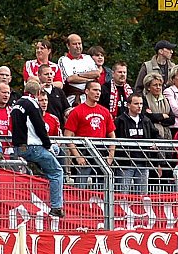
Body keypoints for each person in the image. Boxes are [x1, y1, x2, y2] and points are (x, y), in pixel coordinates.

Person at [12, 80, 65, 217]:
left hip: (19, 147)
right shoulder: (33, 104)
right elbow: (40, 127)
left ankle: (37, 167)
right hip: (33, 147)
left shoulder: (16, 105)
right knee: (57, 171)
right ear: (38, 92)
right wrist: (48, 145)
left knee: (55, 150)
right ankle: (56, 207)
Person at [63, 80, 116, 189]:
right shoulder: (77, 111)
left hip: (101, 152)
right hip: (83, 151)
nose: (98, 93)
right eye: (95, 90)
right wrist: (77, 156)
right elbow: (67, 135)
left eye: (99, 91)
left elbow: (112, 135)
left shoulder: (105, 111)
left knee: (103, 188)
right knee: (80, 189)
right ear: (86, 91)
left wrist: (111, 155)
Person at [114, 93, 159, 195]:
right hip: (125, 163)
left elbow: (156, 135)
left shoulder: (146, 120)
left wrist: (155, 144)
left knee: (142, 195)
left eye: (141, 104)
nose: (139, 106)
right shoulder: (120, 121)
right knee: (122, 195)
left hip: (143, 162)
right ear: (128, 105)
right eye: (136, 104)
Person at [58, 34, 99, 106]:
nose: (78, 46)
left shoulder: (87, 58)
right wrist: (90, 79)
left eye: (79, 43)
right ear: (68, 46)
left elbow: (97, 73)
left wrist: (79, 75)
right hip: (72, 100)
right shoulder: (64, 60)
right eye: (74, 44)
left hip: (90, 99)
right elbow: (70, 79)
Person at [37, 64, 69, 128]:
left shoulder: (59, 92)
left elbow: (66, 109)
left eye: (51, 74)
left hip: (59, 126)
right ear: (39, 76)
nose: (49, 76)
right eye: (46, 74)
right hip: (42, 126)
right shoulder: (36, 92)